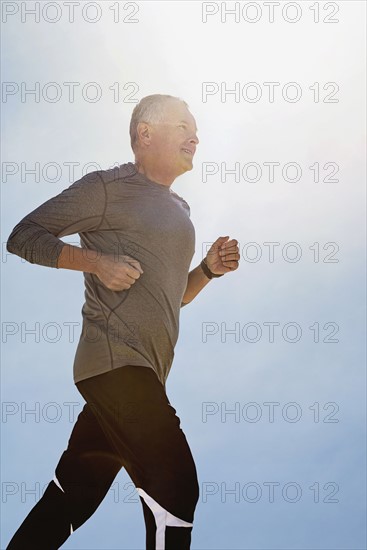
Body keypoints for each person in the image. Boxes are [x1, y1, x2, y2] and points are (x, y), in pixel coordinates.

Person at [5, 94, 240, 549]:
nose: (195, 135)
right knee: (173, 481)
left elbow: (171, 299)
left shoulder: (180, 209)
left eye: (196, 128)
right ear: (145, 134)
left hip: (143, 372)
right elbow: (23, 236)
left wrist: (208, 270)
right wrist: (95, 261)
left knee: (74, 496)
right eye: (182, 125)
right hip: (115, 365)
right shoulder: (106, 188)